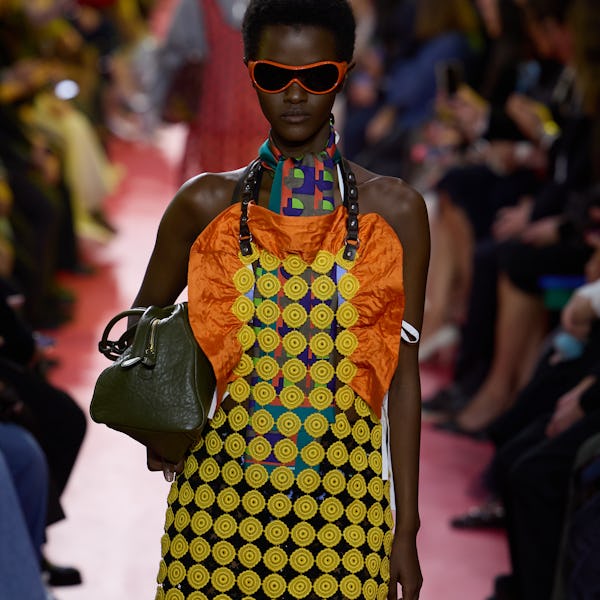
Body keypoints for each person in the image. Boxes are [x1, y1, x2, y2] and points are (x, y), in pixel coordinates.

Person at [130, 1, 429, 598]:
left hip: (347, 515)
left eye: (316, 76)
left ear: (343, 73)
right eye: (274, 75)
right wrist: (158, 425)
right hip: (215, 514)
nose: (295, 94)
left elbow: (403, 376)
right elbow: (138, 336)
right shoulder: (202, 205)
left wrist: (407, 531)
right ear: (250, 73)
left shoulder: (396, 212)